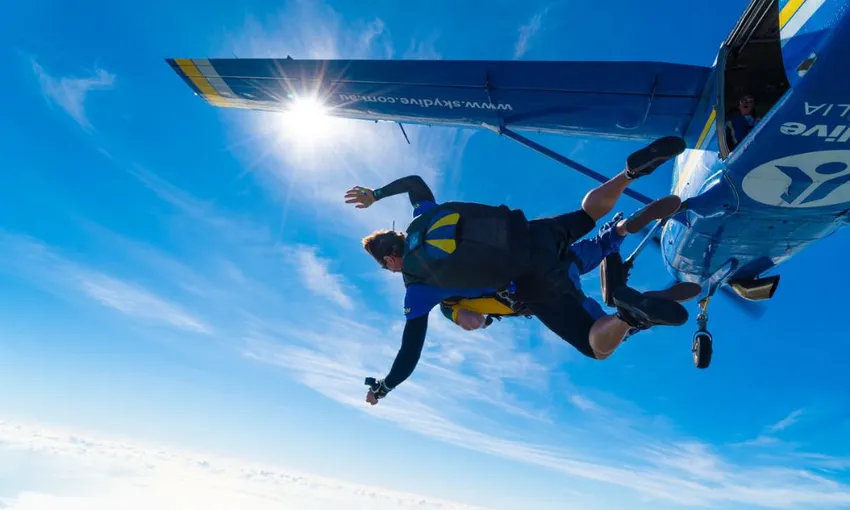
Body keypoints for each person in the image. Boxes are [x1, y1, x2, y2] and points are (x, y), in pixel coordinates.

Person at [345, 136, 693, 405]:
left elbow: (410, 353)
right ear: (397, 235)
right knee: (586, 217)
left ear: (390, 261)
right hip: (535, 233)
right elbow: (415, 182)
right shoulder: (423, 214)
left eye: (385, 266)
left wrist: (384, 387)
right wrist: (375, 194)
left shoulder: (418, 288)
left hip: (534, 281)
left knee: (595, 346)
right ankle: (628, 175)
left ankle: (630, 317)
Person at [438, 212, 700, 332]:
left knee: (597, 331)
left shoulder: (446, 300)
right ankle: (620, 227)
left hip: (544, 289)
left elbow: (468, 319)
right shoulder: (461, 263)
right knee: (600, 246)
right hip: (552, 254)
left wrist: (477, 321)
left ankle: (632, 318)